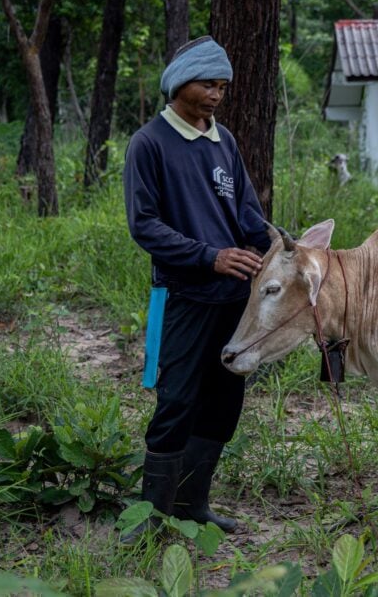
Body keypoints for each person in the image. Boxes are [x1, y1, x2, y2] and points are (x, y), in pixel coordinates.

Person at [122, 36, 272, 542]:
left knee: (223, 402)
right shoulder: (149, 144)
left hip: (234, 301)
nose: (216, 94)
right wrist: (210, 256)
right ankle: (149, 520)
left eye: (223, 86)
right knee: (176, 401)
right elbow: (144, 225)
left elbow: (246, 214)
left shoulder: (223, 141)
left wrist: (278, 245)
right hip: (183, 297)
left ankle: (192, 505)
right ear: (179, 85)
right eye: (208, 84)